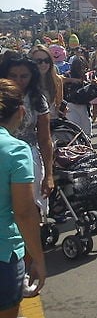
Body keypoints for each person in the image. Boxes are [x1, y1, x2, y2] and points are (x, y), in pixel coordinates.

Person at [0, 56, 54, 298]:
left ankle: (23, 269)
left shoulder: (36, 98)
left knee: (31, 213)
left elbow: (45, 139)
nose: (20, 81)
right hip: (8, 154)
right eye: (14, 76)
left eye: (24, 76)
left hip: (28, 157)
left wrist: (49, 174)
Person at [63, 56, 97, 140]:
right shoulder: (68, 74)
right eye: (79, 66)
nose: (81, 69)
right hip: (71, 105)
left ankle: (87, 148)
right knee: (74, 130)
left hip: (85, 105)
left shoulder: (88, 75)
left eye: (83, 66)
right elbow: (60, 80)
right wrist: (72, 80)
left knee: (86, 131)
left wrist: (94, 82)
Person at [28, 45, 64, 120]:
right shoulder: (26, 80)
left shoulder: (57, 80)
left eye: (47, 60)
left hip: (51, 123)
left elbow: (58, 104)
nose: (43, 64)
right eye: (39, 61)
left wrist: (61, 110)